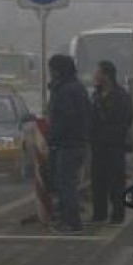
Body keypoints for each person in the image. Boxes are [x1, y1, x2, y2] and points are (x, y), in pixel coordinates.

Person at [46, 54, 91, 235]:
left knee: (66, 184)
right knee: (66, 182)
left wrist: (53, 136)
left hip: (68, 143)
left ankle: (72, 223)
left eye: (51, 69)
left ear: (58, 70)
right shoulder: (75, 87)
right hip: (76, 142)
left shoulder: (66, 90)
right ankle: (67, 219)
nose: (50, 72)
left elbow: (66, 118)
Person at [90, 60, 133, 225]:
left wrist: (112, 132)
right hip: (97, 145)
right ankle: (99, 214)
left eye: (97, 72)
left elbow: (127, 118)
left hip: (114, 145)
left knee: (116, 181)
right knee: (98, 180)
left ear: (106, 75)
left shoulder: (121, 96)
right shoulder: (95, 96)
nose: (95, 75)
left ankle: (117, 215)